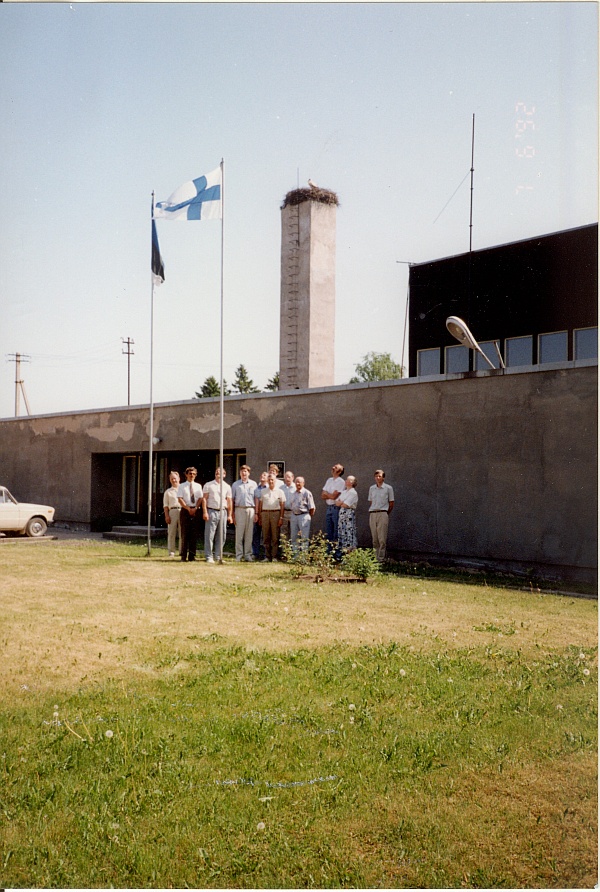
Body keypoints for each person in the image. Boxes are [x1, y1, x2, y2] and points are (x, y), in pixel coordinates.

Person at [202, 467, 233, 563]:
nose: (218, 474)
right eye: (216, 472)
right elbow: (204, 499)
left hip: (223, 512)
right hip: (211, 511)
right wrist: (205, 512)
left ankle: (218, 556)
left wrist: (229, 515)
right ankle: (209, 556)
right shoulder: (209, 485)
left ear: (224, 475)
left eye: (220, 473)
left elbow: (229, 501)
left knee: (222, 535)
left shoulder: (227, 486)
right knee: (209, 535)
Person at [231, 464, 257, 562]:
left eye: (246, 471)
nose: (244, 473)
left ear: (249, 473)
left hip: (250, 509)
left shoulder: (254, 484)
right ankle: (238, 555)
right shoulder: (235, 484)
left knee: (249, 534)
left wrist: (256, 513)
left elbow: (256, 498)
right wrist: (233, 513)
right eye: (242, 471)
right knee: (239, 533)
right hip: (239, 509)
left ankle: (248, 555)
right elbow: (232, 500)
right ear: (240, 473)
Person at [257, 472, 286, 561]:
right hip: (265, 513)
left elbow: (282, 505)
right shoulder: (263, 491)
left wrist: (281, 518)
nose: (270, 481)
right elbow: (260, 504)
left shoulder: (280, 491)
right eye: (269, 480)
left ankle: (274, 556)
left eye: (272, 479)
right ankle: (267, 556)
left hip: (275, 514)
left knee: (275, 536)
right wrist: (260, 517)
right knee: (266, 536)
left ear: (275, 480)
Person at [177, 467, 203, 562]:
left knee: (194, 534)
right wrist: (188, 508)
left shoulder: (198, 486)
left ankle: (192, 557)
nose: (192, 475)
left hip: (195, 511)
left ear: (195, 475)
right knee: (185, 534)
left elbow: (200, 498)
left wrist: (195, 508)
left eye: (193, 474)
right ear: (186, 474)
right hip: (185, 511)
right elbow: (180, 499)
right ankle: (183, 556)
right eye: (190, 473)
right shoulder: (182, 486)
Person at [368, 469, 394, 561]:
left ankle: (381, 559)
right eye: (376, 476)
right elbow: (371, 502)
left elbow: (391, 503)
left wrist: (385, 513)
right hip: (372, 514)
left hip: (383, 513)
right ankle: (375, 558)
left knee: (382, 538)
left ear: (383, 478)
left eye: (379, 476)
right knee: (374, 538)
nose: (377, 478)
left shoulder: (388, 488)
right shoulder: (372, 488)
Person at [320, 463, 345, 555]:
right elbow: (322, 495)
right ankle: (329, 553)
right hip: (329, 508)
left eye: (335, 467)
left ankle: (338, 554)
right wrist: (329, 495)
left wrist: (328, 495)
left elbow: (334, 496)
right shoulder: (329, 480)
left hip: (336, 508)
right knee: (329, 531)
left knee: (337, 531)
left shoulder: (341, 482)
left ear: (339, 471)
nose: (332, 468)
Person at [289, 476, 316, 553]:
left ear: (303, 483)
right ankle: (295, 556)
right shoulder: (293, 493)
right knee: (294, 537)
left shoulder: (307, 493)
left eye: (299, 482)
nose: (297, 483)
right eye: (296, 482)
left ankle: (303, 557)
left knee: (304, 538)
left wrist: (307, 517)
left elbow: (312, 508)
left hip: (303, 516)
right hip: (294, 516)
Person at [336, 476, 358, 553]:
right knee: (342, 533)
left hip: (348, 514)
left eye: (348, 480)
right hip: (342, 514)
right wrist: (342, 502)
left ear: (352, 482)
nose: (346, 481)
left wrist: (342, 502)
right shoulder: (344, 492)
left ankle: (350, 554)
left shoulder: (353, 493)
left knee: (349, 533)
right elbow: (337, 503)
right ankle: (344, 554)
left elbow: (346, 505)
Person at [163, 470, 181, 557]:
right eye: (172, 479)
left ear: (179, 479)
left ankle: (182, 551)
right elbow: (165, 505)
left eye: (175, 478)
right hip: (172, 511)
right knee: (171, 532)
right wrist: (167, 516)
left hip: (182, 511)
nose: (174, 480)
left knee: (182, 532)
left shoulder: (183, 489)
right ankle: (171, 552)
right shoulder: (168, 492)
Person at [252, 471, 269, 560]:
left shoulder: (269, 488)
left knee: (266, 535)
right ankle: (255, 553)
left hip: (266, 514)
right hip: (257, 514)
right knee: (256, 534)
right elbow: (255, 501)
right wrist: (256, 513)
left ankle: (266, 555)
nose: (262, 476)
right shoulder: (256, 489)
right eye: (261, 475)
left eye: (265, 475)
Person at [280, 470, 296, 548]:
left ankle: (294, 552)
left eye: (289, 477)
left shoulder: (296, 487)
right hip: (284, 512)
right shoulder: (281, 488)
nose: (287, 478)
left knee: (294, 532)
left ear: (292, 478)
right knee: (284, 532)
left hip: (293, 513)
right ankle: (285, 553)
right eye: (286, 477)